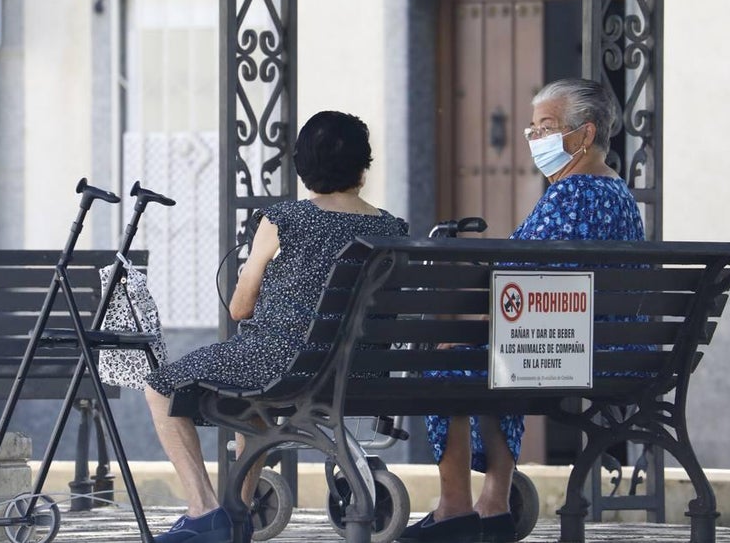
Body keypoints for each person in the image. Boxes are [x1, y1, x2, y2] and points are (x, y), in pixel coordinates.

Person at [143, 110, 408, 543]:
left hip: (284, 365)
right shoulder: (392, 228)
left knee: (160, 386)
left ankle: (205, 511)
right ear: (363, 169)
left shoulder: (284, 219)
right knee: (252, 402)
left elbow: (240, 308)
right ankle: (238, 513)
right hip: (361, 372)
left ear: (303, 169)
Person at [400, 77, 645, 543]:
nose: (535, 138)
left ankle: (454, 509)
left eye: (547, 126)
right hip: (600, 348)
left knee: (448, 363)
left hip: (565, 350)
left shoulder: (573, 196)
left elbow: (516, 277)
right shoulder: (616, 193)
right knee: (495, 356)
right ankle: (492, 502)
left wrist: (464, 326)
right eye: (532, 128)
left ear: (586, 134)